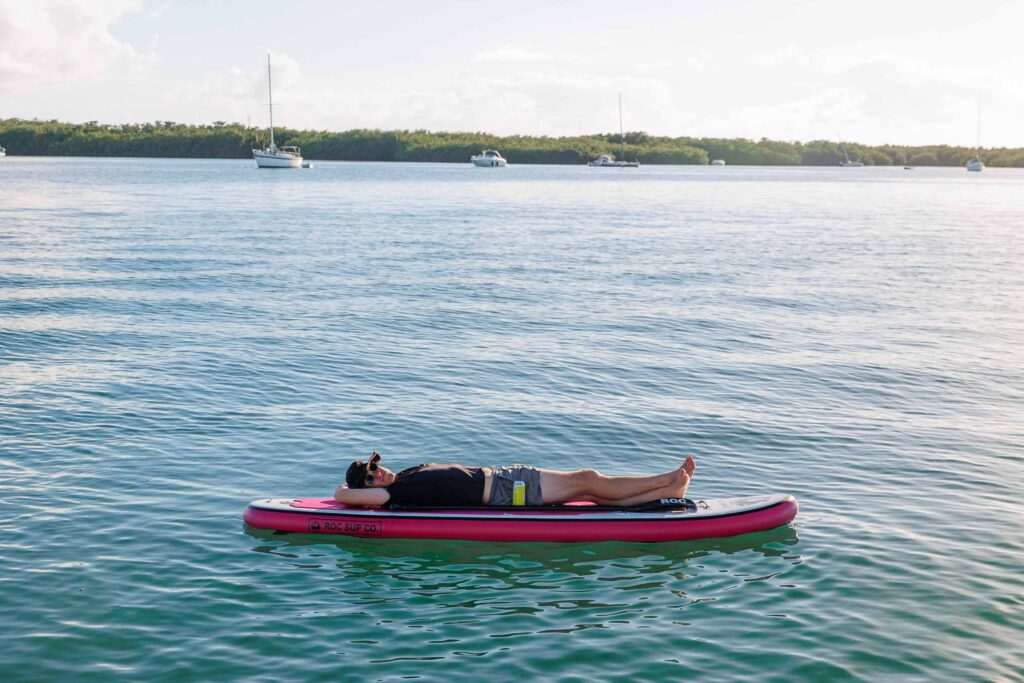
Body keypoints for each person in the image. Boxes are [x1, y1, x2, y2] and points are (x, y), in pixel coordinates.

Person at [335, 452, 696, 508]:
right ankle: (666, 480)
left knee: (590, 493)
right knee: (588, 479)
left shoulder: (406, 474)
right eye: (371, 476)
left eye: (375, 466)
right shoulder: (392, 494)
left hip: (507, 478)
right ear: (370, 488)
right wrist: (345, 491)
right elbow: (351, 499)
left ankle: (665, 493)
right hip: (508, 491)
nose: (378, 471)